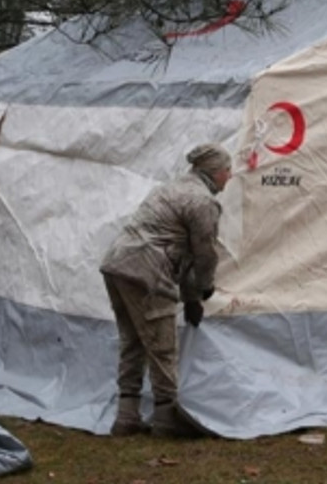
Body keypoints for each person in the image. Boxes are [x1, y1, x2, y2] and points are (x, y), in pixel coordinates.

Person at [99, 143, 232, 438]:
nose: (230, 176)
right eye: (227, 170)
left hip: (117, 264)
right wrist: (204, 288)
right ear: (215, 172)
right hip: (147, 271)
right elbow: (204, 254)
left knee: (132, 342)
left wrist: (190, 297)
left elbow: (178, 252)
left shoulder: (171, 189)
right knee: (162, 347)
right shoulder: (202, 202)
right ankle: (166, 419)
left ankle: (126, 416)